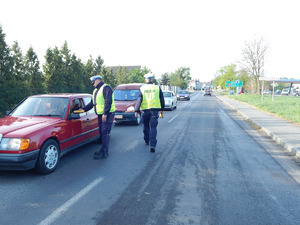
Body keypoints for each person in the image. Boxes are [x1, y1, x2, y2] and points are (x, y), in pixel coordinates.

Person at [82, 75, 116, 159]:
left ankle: (104, 152)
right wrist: (82, 110)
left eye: (93, 82)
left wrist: (105, 113)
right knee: (101, 132)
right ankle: (103, 150)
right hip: (100, 115)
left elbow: (108, 101)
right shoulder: (96, 91)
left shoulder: (106, 88)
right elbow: (92, 104)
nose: (93, 84)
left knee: (105, 133)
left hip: (107, 114)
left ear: (97, 80)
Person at [134, 73, 165, 152]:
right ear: (152, 79)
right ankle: (152, 144)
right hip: (154, 111)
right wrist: (162, 109)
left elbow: (139, 100)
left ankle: (147, 139)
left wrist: (136, 110)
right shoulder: (157, 87)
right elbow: (161, 99)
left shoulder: (142, 88)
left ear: (145, 80)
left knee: (146, 126)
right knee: (153, 127)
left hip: (145, 111)